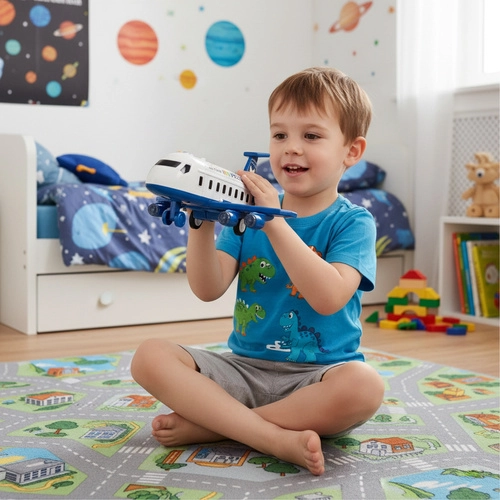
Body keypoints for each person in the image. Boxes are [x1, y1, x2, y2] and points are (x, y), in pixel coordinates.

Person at [131, 66, 385, 476]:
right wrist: (201, 223)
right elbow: (207, 288)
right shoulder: (246, 216)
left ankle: (217, 425)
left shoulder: (353, 222)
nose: (291, 148)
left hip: (318, 380)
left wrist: (274, 222)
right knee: (149, 356)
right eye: (279, 135)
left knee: (366, 386)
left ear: (351, 152)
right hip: (244, 370)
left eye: (311, 136)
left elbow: (328, 298)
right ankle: (268, 435)